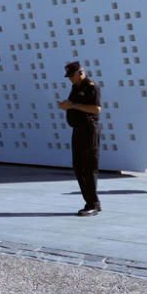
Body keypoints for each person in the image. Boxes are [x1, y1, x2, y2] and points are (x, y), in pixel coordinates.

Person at [58, 61, 102, 216]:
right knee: (78, 166)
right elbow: (72, 102)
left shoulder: (91, 86)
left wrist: (73, 106)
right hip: (78, 129)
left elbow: (96, 109)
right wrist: (66, 105)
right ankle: (90, 201)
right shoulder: (75, 87)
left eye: (72, 75)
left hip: (89, 129)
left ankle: (93, 204)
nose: (70, 79)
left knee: (88, 167)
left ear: (80, 72)